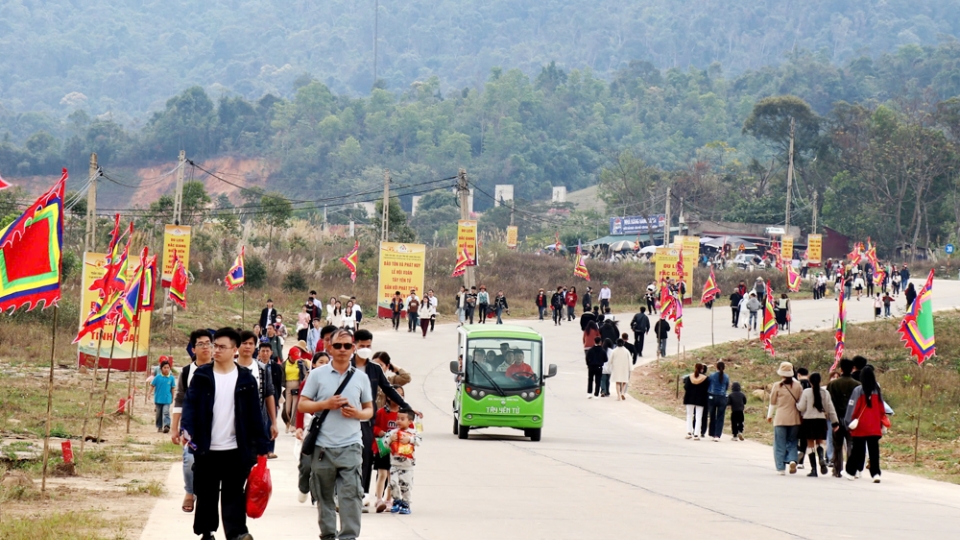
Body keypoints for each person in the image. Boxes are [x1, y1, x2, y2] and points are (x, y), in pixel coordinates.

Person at [181, 327, 269, 540]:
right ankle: (206, 532)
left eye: (221, 347)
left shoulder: (246, 379)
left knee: (234, 495)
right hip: (206, 448)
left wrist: (262, 447)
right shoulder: (202, 375)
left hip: (236, 449)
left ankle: (237, 534)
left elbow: (254, 415)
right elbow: (190, 405)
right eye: (214, 346)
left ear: (235, 349)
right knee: (206, 495)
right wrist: (187, 429)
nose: (215, 350)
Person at [298, 329, 373, 540]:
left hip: (351, 445)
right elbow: (303, 404)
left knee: (351, 495)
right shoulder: (316, 375)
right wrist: (325, 404)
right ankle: (329, 535)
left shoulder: (361, 377)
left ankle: (349, 536)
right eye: (338, 345)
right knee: (324, 496)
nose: (342, 350)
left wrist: (357, 413)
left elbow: (369, 409)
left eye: (347, 346)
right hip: (322, 447)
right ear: (329, 347)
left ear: (354, 348)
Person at [351, 329, 420, 512]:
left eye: (368, 346)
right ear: (354, 345)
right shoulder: (346, 366)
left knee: (366, 457)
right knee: (346, 455)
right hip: (346, 418)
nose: (365, 349)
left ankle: (363, 495)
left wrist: (407, 407)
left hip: (366, 419)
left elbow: (389, 389)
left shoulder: (374, 369)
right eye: (362, 346)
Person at [171, 329, 214, 514]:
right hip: (193, 427)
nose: (205, 347)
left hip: (217, 426)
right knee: (189, 460)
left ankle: (209, 495)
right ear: (193, 349)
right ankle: (189, 492)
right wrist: (175, 428)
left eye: (208, 343)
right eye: (201, 344)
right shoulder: (187, 372)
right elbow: (179, 399)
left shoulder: (221, 369)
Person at [294, 352, 331, 504]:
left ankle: (317, 496)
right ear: (313, 364)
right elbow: (300, 406)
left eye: (326, 362)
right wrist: (298, 427)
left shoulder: (334, 381)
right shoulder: (308, 382)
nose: (323, 365)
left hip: (327, 425)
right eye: (320, 362)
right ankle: (304, 486)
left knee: (321, 463)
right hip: (310, 424)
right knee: (307, 463)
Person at [843, 366, 889, 482]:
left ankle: (850, 471)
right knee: (874, 451)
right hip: (874, 426)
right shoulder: (877, 391)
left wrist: (848, 422)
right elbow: (881, 409)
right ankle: (875, 473)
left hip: (861, 426)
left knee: (857, 451)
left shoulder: (858, 390)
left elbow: (852, 408)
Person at [796, 372, 838, 477]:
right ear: (820, 381)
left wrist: (796, 404)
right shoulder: (825, 393)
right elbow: (830, 409)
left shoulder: (806, 392)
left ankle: (813, 470)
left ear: (810, 381)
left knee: (810, 445)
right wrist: (835, 422)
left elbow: (801, 407)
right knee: (820, 442)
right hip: (821, 421)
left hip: (808, 420)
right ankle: (821, 458)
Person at [767, 361, 802, 475]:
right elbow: (801, 403)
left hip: (781, 418)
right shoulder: (798, 386)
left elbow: (772, 402)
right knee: (792, 441)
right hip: (795, 419)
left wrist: (769, 416)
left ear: (781, 374)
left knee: (779, 443)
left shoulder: (777, 385)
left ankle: (781, 468)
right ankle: (792, 460)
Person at [371, 386, 403, 513]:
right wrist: (380, 432)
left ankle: (389, 499)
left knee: (392, 475)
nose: (399, 397)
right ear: (389, 396)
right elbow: (373, 427)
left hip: (397, 449)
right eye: (396, 394)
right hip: (383, 447)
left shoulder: (403, 413)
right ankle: (379, 499)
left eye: (401, 394)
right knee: (382, 474)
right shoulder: (381, 412)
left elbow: (411, 427)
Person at [386, 408, 421, 515]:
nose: (399, 421)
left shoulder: (413, 433)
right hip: (394, 465)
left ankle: (406, 504)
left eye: (402, 419)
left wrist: (409, 440)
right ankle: (396, 501)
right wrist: (390, 439)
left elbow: (419, 441)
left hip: (407, 466)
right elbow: (384, 445)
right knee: (393, 483)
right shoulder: (392, 433)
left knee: (405, 485)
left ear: (410, 421)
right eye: (397, 419)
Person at [282, 345, 308, 433]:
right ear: (289, 355)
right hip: (288, 387)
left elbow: (305, 374)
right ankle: (288, 423)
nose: (295, 359)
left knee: (294, 408)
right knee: (287, 409)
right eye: (293, 357)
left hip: (297, 386)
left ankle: (293, 426)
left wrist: (302, 384)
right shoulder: (284, 364)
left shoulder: (300, 363)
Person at [682, 364, 708, 439]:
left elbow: (686, 387)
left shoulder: (689, 377)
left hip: (689, 399)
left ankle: (689, 432)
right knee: (698, 417)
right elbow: (706, 389)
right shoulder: (705, 378)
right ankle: (696, 434)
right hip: (700, 400)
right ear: (702, 369)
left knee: (689, 415)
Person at [706, 361, 730, 441]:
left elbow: (708, 384)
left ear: (716, 367)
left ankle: (712, 432)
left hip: (712, 396)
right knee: (720, 417)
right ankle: (717, 435)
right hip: (722, 397)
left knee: (712, 415)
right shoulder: (726, 376)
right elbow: (726, 387)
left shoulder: (712, 375)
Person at [152, 360, 175, 433]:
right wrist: (149, 394)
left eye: (168, 367)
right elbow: (152, 385)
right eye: (165, 367)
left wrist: (173, 397)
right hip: (158, 399)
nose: (166, 369)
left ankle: (166, 425)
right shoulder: (158, 377)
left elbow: (173, 388)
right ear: (161, 368)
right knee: (158, 414)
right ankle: (159, 426)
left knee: (166, 412)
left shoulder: (171, 378)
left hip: (167, 399)